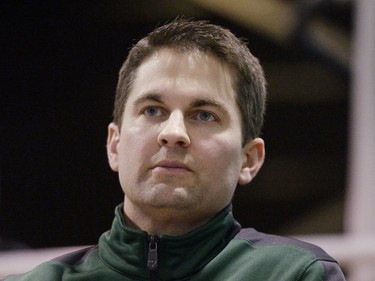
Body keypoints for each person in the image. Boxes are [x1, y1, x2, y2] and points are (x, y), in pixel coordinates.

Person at [2, 18, 346, 281]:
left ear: (249, 159)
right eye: (153, 110)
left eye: (204, 115)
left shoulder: (295, 274)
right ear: (115, 145)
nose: (173, 133)